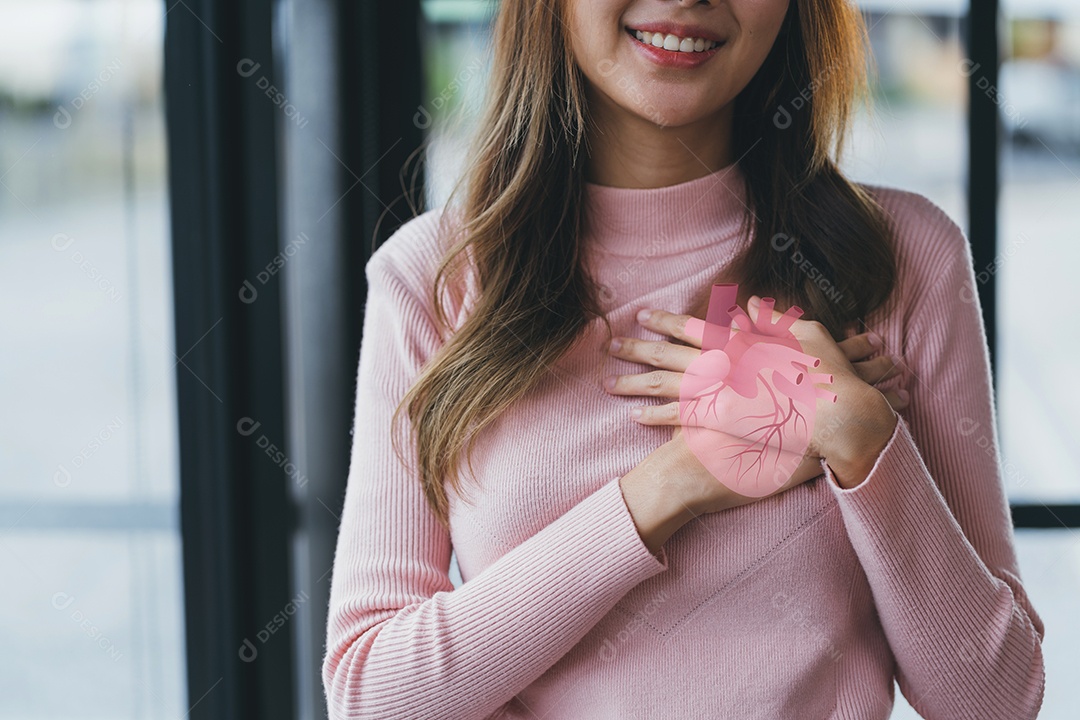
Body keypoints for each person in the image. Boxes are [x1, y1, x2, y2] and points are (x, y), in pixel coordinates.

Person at [322, 0, 1046, 718]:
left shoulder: (907, 260)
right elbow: (372, 696)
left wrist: (861, 438)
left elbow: (995, 700)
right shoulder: (433, 279)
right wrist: (679, 481)